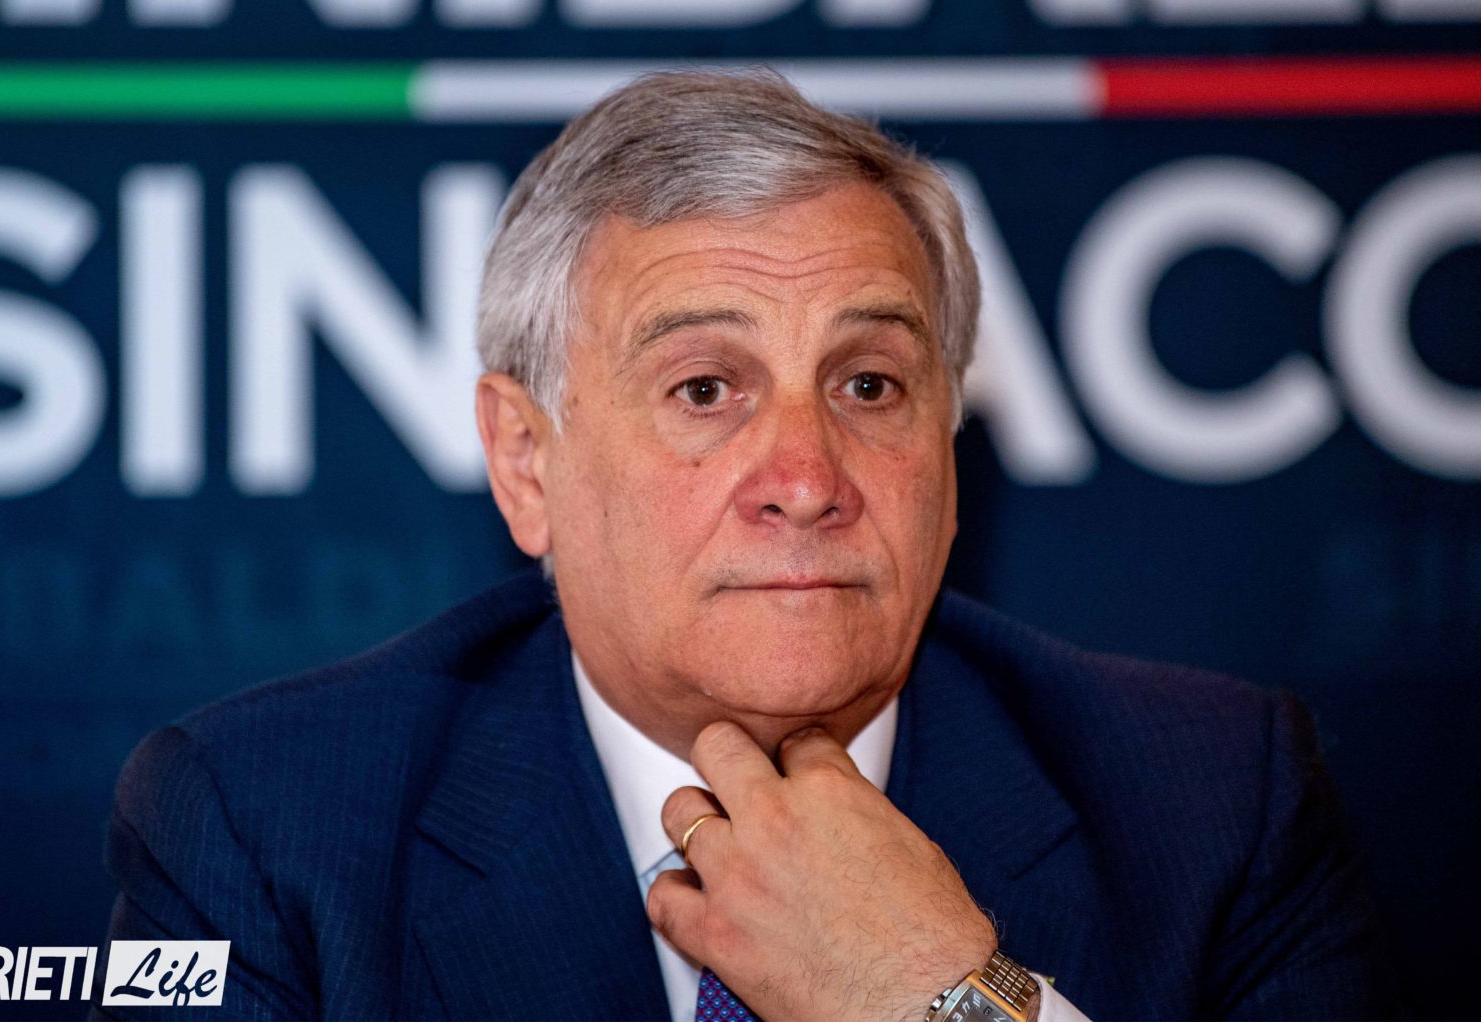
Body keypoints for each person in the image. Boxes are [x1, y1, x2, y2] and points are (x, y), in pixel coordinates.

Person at [97, 70, 1393, 1022]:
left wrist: (941, 999)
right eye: (706, 388)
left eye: (870, 385)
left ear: (951, 448)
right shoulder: (256, 825)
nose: (807, 481)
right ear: (527, 461)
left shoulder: (1215, 803)